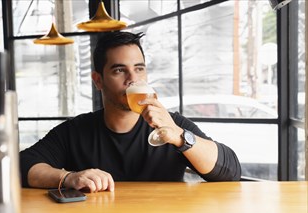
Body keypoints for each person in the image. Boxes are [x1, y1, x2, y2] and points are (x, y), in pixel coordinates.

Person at [20, 31, 241, 193]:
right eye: (119, 70)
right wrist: (69, 177)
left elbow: (230, 171)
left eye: (139, 69)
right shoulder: (76, 131)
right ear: (98, 80)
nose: (132, 79)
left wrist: (180, 137)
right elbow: (23, 165)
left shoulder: (171, 125)